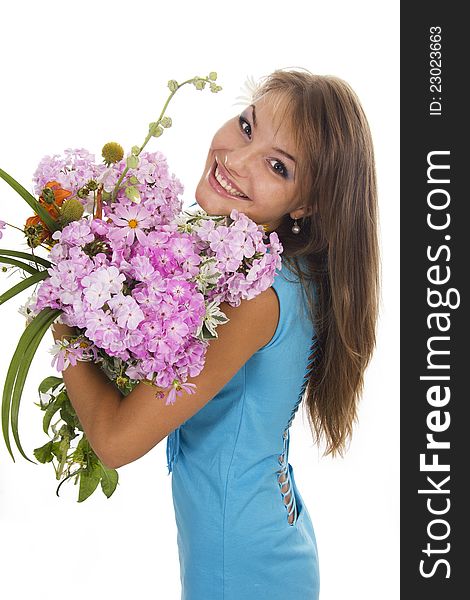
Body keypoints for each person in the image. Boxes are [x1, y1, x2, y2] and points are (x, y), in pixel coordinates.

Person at [51, 67, 380, 599]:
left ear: (307, 205)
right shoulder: (277, 267)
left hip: (239, 566)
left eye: (277, 165)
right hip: (269, 538)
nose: (235, 159)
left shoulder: (253, 299)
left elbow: (114, 442)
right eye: (247, 127)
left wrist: (66, 306)